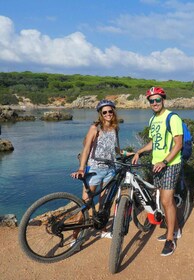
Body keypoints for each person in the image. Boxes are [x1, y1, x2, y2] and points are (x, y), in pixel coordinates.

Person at [132, 87, 183, 256]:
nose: (154, 103)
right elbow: (154, 142)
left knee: (167, 201)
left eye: (157, 100)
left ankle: (170, 239)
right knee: (164, 200)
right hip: (157, 164)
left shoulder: (172, 117)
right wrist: (139, 151)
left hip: (170, 164)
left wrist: (165, 161)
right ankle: (175, 229)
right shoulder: (153, 120)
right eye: (151, 101)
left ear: (163, 100)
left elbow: (178, 144)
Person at [70, 99, 127, 243]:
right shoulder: (95, 128)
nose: (108, 114)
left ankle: (103, 230)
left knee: (104, 203)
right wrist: (82, 168)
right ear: (101, 114)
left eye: (110, 111)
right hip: (94, 170)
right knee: (85, 204)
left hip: (110, 170)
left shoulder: (115, 128)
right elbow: (86, 149)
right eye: (105, 112)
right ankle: (74, 237)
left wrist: (127, 153)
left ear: (114, 112)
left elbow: (114, 148)